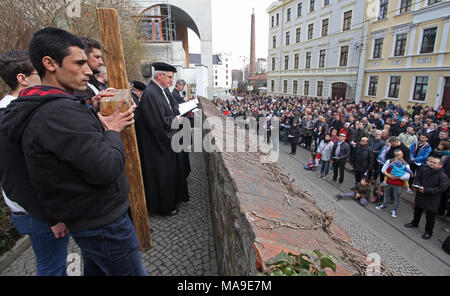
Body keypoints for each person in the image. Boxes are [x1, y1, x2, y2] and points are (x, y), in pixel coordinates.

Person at [1, 27, 147, 276]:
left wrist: (92, 110)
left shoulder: (50, 106)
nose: (89, 70)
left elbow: (67, 146)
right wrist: (112, 130)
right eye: (79, 63)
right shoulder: (58, 112)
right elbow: (107, 167)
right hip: (102, 221)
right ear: (50, 63)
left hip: (89, 218)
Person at [0, 50, 70, 276]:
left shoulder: (21, 109)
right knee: (52, 267)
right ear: (22, 79)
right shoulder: (6, 117)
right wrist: (52, 217)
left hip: (43, 210)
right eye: (39, 72)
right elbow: (15, 178)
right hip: (38, 214)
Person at [134, 62, 190, 216]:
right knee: (162, 176)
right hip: (157, 145)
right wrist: (176, 121)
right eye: (170, 77)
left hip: (163, 142)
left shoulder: (160, 91)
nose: (172, 81)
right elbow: (158, 124)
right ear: (160, 76)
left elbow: (166, 113)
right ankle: (164, 207)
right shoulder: (152, 93)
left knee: (169, 175)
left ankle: (171, 201)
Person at [405, 157, 449, 239]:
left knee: (430, 217)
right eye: (431, 162)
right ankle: (415, 223)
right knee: (417, 210)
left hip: (432, 199)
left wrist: (426, 190)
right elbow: (417, 177)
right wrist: (418, 185)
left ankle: (428, 231)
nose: (431, 163)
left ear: (440, 165)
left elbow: (442, 188)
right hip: (421, 194)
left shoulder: (443, 176)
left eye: (434, 163)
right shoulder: (424, 169)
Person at [376, 149, 412, 218]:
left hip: (398, 184)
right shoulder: (389, 161)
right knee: (386, 194)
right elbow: (383, 169)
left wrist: (396, 177)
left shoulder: (406, 165)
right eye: (396, 155)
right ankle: (384, 205)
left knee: (396, 198)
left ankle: (394, 210)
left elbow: (407, 176)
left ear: (402, 155)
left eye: (399, 155)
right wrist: (389, 175)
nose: (398, 156)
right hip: (388, 182)